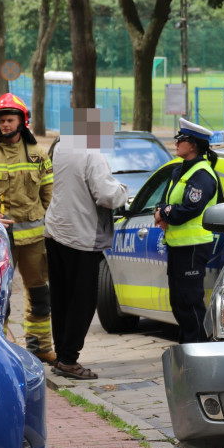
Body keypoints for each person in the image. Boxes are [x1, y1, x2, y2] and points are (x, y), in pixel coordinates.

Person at [0, 93, 56, 362]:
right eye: (2, 120)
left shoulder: (39, 154)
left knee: (40, 294)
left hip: (34, 241)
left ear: (22, 121)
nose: (5, 125)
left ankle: (40, 346)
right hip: (0, 241)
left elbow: (49, 196)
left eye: (10, 119)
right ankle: (0, 352)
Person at [44, 109, 129, 380]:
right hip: (82, 236)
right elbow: (106, 195)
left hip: (56, 231)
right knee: (82, 301)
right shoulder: (92, 154)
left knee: (61, 298)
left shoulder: (59, 148)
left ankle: (61, 355)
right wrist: (123, 192)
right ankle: (69, 360)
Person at [153, 118, 220, 344]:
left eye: (180, 139)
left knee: (190, 302)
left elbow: (191, 208)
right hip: (177, 246)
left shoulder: (202, 174)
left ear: (192, 145)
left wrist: (165, 213)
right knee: (178, 302)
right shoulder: (180, 172)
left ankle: (197, 349)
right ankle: (187, 348)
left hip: (193, 247)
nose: (176, 143)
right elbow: (166, 202)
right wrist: (162, 211)